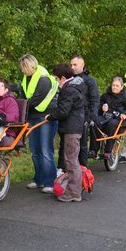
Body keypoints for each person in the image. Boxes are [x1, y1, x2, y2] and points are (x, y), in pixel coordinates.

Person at [19, 54, 58, 193]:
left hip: (45, 117)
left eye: (25, 67)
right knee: (35, 150)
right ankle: (39, 179)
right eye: (22, 68)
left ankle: (50, 181)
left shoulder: (43, 79)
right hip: (32, 116)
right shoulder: (26, 78)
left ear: (31, 65)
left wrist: (21, 106)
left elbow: (34, 100)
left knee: (46, 150)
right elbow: (23, 95)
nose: (24, 71)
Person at [47, 64, 85, 203]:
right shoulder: (74, 88)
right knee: (70, 159)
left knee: (71, 161)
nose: (57, 82)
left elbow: (63, 111)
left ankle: (74, 193)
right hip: (72, 128)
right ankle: (72, 189)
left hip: (72, 129)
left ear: (63, 78)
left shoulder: (69, 90)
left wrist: (50, 116)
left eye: (57, 79)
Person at [68, 55, 100, 168]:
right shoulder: (69, 79)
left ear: (82, 65)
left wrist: (91, 117)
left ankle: (83, 168)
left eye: (75, 65)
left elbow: (95, 100)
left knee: (82, 145)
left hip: (85, 116)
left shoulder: (90, 81)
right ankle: (69, 169)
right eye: (71, 65)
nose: (72, 67)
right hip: (70, 116)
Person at [98, 77, 126, 157]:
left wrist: (125, 114)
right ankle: (93, 150)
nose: (114, 87)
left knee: (111, 124)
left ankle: (108, 152)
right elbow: (97, 106)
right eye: (113, 85)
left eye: (117, 86)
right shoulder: (105, 96)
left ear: (122, 87)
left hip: (120, 120)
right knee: (94, 122)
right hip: (106, 117)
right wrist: (102, 107)